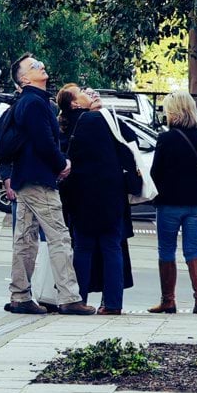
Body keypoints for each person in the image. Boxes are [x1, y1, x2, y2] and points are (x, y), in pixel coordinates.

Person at [0, 54, 93, 315]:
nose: (41, 65)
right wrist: (61, 163)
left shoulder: (25, 102)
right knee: (59, 237)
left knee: (25, 238)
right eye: (34, 66)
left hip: (24, 177)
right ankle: (69, 297)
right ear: (25, 79)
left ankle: (20, 296)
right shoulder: (35, 103)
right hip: (39, 179)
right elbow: (44, 141)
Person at [60, 90, 138, 315]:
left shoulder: (68, 124)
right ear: (75, 103)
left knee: (83, 248)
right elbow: (129, 143)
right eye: (82, 93)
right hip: (111, 193)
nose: (90, 94)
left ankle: (78, 298)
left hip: (81, 194)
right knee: (112, 247)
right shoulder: (104, 119)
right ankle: (113, 303)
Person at [149, 90, 197, 313]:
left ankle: (168, 300)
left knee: (166, 250)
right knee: (194, 249)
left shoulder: (165, 138)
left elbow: (156, 172)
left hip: (169, 203)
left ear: (172, 111)